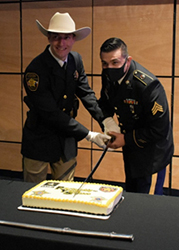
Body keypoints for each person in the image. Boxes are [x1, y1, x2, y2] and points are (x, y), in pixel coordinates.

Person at [21, 12, 110, 183]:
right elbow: (51, 113)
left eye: (67, 37)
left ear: (74, 39)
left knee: (65, 191)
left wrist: (105, 120)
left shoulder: (76, 60)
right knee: (32, 193)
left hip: (66, 138)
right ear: (48, 38)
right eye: (56, 37)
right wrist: (89, 135)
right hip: (40, 137)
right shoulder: (35, 70)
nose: (61, 43)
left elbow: (85, 93)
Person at [98, 37, 174, 194]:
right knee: (133, 195)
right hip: (131, 148)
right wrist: (108, 124)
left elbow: (158, 130)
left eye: (115, 62)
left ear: (127, 60)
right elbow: (105, 103)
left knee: (148, 203)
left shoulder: (148, 86)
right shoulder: (107, 76)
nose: (109, 68)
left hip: (153, 153)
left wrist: (124, 139)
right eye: (105, 63)